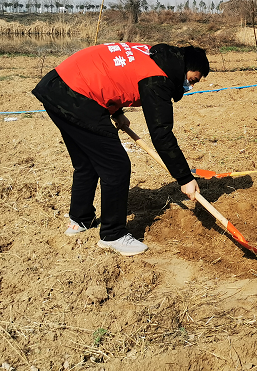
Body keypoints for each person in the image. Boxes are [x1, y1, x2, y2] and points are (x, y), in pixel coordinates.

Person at [32, 42, 209, 256]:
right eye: (191, 80)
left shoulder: (153, 54)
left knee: (87, 161)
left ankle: (80, 219)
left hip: (56, 85)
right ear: (183, 68)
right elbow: (161, 134)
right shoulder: (158, 78)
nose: (189, 86)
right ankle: (113, 234)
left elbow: (112, 73)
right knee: (116, 166)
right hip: (76, 95)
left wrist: (115, 112)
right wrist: (185, 178)